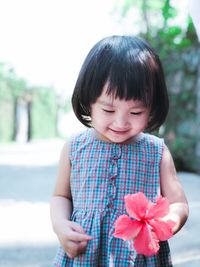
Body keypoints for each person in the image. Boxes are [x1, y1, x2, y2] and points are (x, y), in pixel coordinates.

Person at [50, 35, 189, 266]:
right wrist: (61, 226)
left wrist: (172, 220)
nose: (121, 122)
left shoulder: (157, 152)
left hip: (139, 256)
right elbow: (61, 196)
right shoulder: (75, 147)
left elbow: (178, 203)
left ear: (152, 107)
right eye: (108, 109)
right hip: (86, 253)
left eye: (135, 112)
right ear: (89, 102)